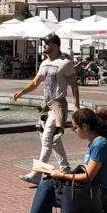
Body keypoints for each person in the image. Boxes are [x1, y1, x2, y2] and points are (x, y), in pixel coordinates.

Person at [4, 107, 107, 213]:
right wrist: (57, 174)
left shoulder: (99, 145)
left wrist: (62, 175)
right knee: (47, 185)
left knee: (46, 190)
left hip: (95, 198)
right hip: (88, 192)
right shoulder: (94, 143)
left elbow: (88, 176)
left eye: (75, 127)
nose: (74, 131)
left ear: (85, 127)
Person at [13, 34, 81, 183]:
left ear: (55, 46)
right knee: (54, 140)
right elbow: (36, 82)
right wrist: (21, 92)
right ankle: (66, 169)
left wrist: (76, 105)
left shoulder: (65, 63)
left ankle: (36, 174)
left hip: (58, 105)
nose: (45, 46)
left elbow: (74, 86)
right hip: (46, 107)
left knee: (46, 138)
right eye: (45, 43)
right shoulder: (44, 63)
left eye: (47, 43)